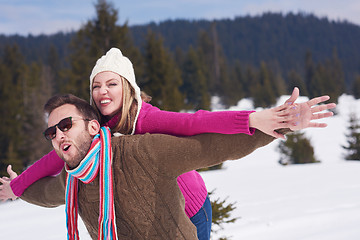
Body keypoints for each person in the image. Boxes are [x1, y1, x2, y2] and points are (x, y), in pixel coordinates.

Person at [0, 48, 319, 239]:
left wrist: (254, 119)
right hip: (142, 210)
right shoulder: (94, 127)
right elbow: (54, 160)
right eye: (96, 85)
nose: (102, 91)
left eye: (112, 83)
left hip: (189, 207)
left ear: (127, 88)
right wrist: (17, 187)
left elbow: (197, 123)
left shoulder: (145, 119)